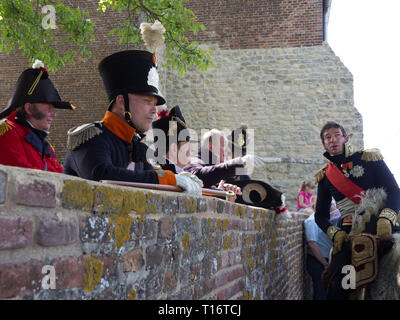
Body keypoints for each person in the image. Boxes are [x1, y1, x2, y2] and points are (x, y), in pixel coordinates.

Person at [63, 50, 202, 195]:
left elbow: (156, 177)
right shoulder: (91, 138)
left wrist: (182, 179)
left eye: (154, 104)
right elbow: (103, 175)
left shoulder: (136, 146)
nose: (154, 110)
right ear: (122, 102)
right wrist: (169, 179)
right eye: (147, 101)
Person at [314, 121, 400, 299]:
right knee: (338, 284)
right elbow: (320, 216)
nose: (333, 140)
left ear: (345, 138)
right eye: (327, 137)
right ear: (324, 144)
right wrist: (335, 234)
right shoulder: (324, 177)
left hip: (383, 225)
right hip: (350, 232)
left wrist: (386, 219)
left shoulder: (369, 158)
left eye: (337, 135)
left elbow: (394, 191)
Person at [151, 105, 241, 201]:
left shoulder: (174, 171)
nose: (192, 150)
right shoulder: (161, 172)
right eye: (187, 145)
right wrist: (220, 196)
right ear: (173, 149)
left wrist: (220, 192)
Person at [0, 60, 75, 172]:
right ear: (29, 108)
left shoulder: (45, 145)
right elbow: (20, 177)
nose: (53, 115)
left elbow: (59, 175)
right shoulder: (8, 132)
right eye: (48, 108)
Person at [184, 128, 264, 188]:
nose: (228, 149)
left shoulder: (219, 169)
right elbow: (199, 176)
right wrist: (239, 162)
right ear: (210, 146)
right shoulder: (193, 161)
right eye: (224, 145)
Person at [304, 207, 340, 300]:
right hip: (317, 261)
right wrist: (325, 264)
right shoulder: (311, 221)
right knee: (320, 292)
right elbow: (312, 244)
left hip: (324, 260)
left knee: (325, 290)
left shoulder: (322, 220)